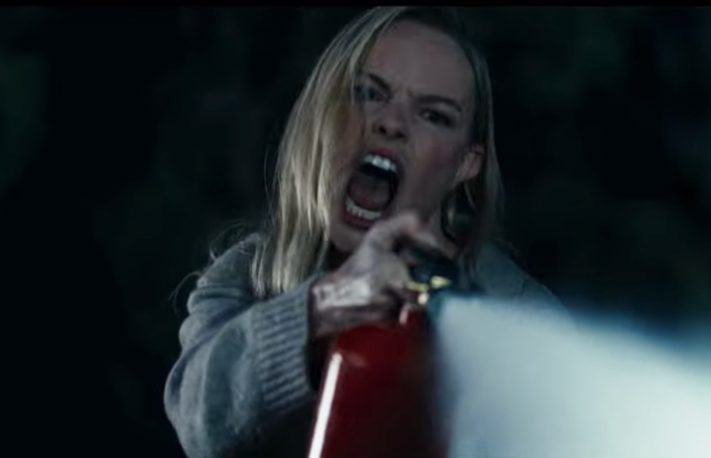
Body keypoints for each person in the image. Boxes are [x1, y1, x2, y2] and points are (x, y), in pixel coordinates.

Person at [164, 7, 562, 458]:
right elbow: (198, 423)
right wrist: (322, 309)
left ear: (465, 164)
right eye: (368, 93)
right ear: (322, 113)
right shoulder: (246, 275)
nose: (391, 123)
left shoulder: (518, 312)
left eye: (433, 115)